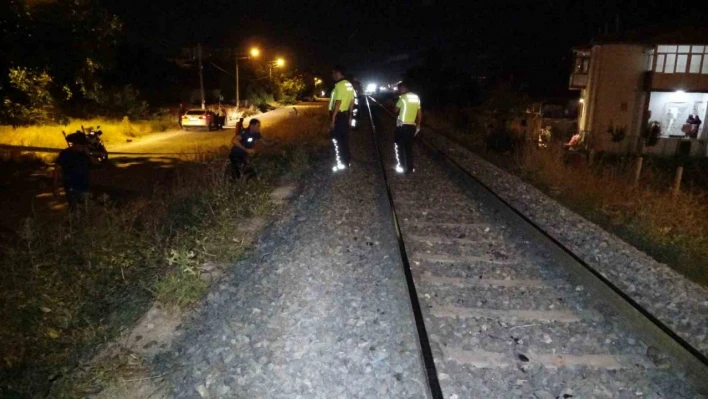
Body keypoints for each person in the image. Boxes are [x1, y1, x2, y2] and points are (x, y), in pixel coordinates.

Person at [53, 133, 95, 211]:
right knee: (74, 209)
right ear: (75, 144)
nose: (82, 147)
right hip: (71, 187)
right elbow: (57, 170)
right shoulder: (65, 154)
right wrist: (56, 187)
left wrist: (89, 154)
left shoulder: (84, 154)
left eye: (83, 145)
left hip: (85, 186)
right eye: (81, 145)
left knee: (85, 209)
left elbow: (95, 164)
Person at [328, 65, 355, 172]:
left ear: (338, 73)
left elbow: (338, 102)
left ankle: (340, 163)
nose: (332, 76)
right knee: (345, 139)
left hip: (338, 115)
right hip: (345, 115)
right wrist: (350, 115)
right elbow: (352, 101)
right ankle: (346, 161)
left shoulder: (339, 85)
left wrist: (333, 119)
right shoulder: (349, 85)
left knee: (337, 139)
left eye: (333, 73)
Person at [393, 81, 422, 174]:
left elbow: (395, 110)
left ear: (403, 88)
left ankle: (401, 166)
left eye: (399, 89)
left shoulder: (403, 98)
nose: (399, 91)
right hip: (412, 126)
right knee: (409, 147)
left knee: (399, 146)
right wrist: (418, 125)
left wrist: (396, 106)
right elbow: (419, 113)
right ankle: (410, 168)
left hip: (402, 126)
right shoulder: (416, 97)